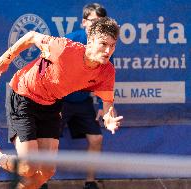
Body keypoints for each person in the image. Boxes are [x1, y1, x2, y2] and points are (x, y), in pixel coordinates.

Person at [0, 17, 123, 189]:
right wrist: (7, 57)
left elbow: (108, 103)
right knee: (28, 167)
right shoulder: (63, 49)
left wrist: (108, 117)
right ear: (90, 41)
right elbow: (32, 36)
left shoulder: (106, 71)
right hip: (23, 96)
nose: (108, 50)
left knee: (46, 172)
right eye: (103, 44)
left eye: (113, 45)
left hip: (51, 104)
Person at [60, 3, 113, 189]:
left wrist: (102, 107)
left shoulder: (106, 47)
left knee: (96, 139)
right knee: (47, 142)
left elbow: (104, 80)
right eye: (93, 22)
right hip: (61, 101)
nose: (98, 26)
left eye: (102, 22)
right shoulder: (70, 41)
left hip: (83, 101)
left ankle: (90, 183)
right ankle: (41, 182)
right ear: (83, 22)